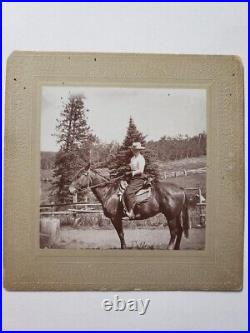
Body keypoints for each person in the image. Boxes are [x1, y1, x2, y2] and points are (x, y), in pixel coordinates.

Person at [124, 142, 146, 219]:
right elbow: (131, 167)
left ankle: (131, 212)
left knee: (129, 192)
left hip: (139, 178)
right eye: (133, 150)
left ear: (139, 150)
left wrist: (131, 172)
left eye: (136, 150)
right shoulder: (133, 158)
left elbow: (141, 170)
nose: (134, 151)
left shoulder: (141, 158)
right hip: (132, 178)